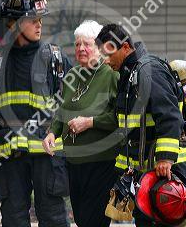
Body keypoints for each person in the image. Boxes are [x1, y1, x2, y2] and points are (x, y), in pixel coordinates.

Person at [0, 0, 71, 227]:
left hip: (47, 153)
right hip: (9, 153)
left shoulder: (54, 57)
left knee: (53, 217)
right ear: (14, 24)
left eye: (41, 20)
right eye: (33, 20)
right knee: (14, 218)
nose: (39, 25)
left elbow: (73, 96)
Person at [95, 24, 186, 227]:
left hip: (166, 172)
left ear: (125, 47)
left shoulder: (149, 71)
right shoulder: (129, 74)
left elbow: (169, 116)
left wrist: (166, 157)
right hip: (146, 175)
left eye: (108, 54)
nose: (105, 60)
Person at [42, 20, 121, 227]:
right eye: (77, 45)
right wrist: (52, 133)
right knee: (80, 219)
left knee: (93, 220)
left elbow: (120, 117)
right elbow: (62, 111)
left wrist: (91, 122)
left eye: (87, 44)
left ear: (99, 48)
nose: (81, 49)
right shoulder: (72, 75)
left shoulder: (111, 74)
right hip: (74, 162)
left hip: (102, 161)